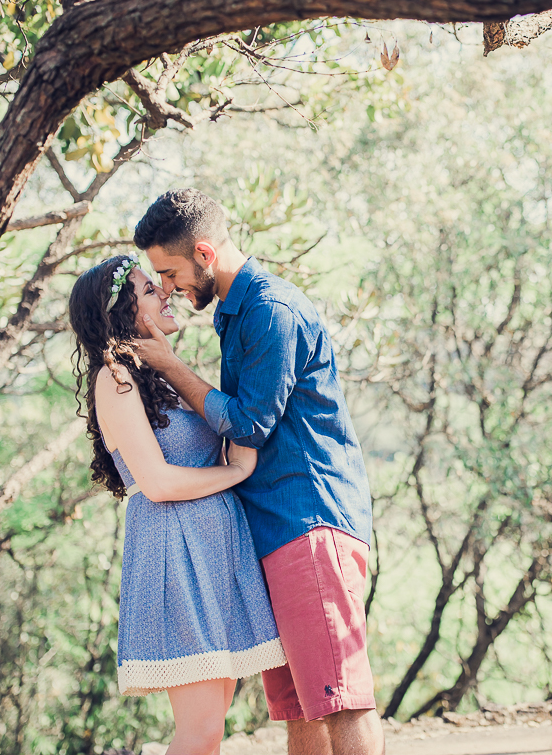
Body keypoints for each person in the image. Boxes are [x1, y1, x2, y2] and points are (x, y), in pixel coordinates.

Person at [130, 189, 385, 755]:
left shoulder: (272, 309)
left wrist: (172, 367)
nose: (168, 286)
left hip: (308, 523)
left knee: (341, 699)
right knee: (301, 709)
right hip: (269, 534)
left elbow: (249, 426)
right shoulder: (234, 314)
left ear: (203, 251)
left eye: (169, 271)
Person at [69, 254, 287, 755]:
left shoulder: (159, 375)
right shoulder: (115, 377)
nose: (164, 292)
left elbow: (234, 428)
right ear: (123, 311)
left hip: (214, 548)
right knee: (201, 728)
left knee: (213, 724)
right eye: (149, 290)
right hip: (175, 549)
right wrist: (233, 473)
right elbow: (159, 482)